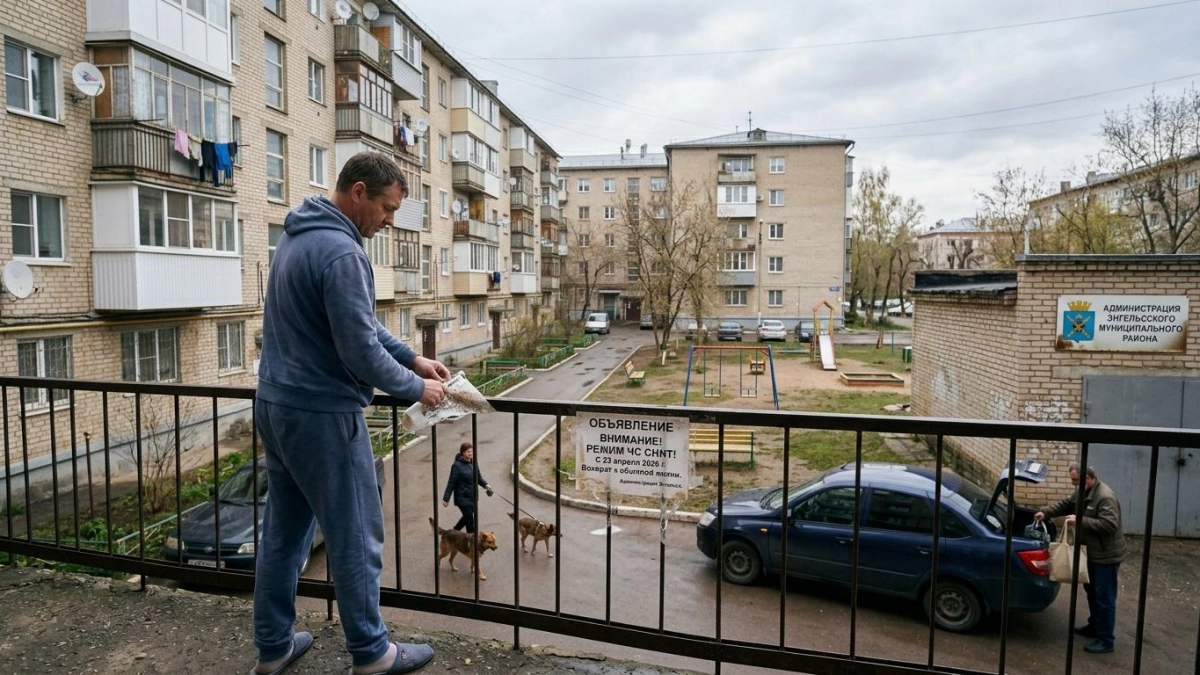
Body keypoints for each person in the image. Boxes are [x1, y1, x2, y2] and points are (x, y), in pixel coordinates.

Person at [251, 152, 450, 675]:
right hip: (321, 412)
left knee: (284, 534)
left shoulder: (299, 236)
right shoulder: (342, 251)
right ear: (358, 192)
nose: (390, 220)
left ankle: (272, 647)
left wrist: (411, 357)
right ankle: (372, 652)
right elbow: (359, 349)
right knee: (357, 533)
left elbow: (360, 323)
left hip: (276, 404)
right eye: (387, 208)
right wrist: (417, 388)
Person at [1034, 464, 1127, 655]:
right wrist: (1046, 512)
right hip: (1090, 553)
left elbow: (1110, 524)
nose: (1073, 484)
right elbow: (1066, 505)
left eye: (1076, 480)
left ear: (1088, 478)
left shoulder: (1105, 497)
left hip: (1105, 557)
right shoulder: (1082, 491)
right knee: (1092, 593)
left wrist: (1080, 520)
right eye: (1072, 480)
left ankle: (1106, 640)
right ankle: (1095, 627)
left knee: (1104, 598)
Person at [442, 442, 493, 532]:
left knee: (467, 517)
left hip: (472, 496)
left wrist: (485, 484)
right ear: (463, 453)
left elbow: (478, 477)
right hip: (462, 498)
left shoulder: (473, 462)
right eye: (468, 452)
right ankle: (472, 538)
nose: (470, 453)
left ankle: (455, 531)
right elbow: (451, 482)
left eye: (472, 451)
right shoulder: (457, 466)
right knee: (469, 520)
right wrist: (446, 499)